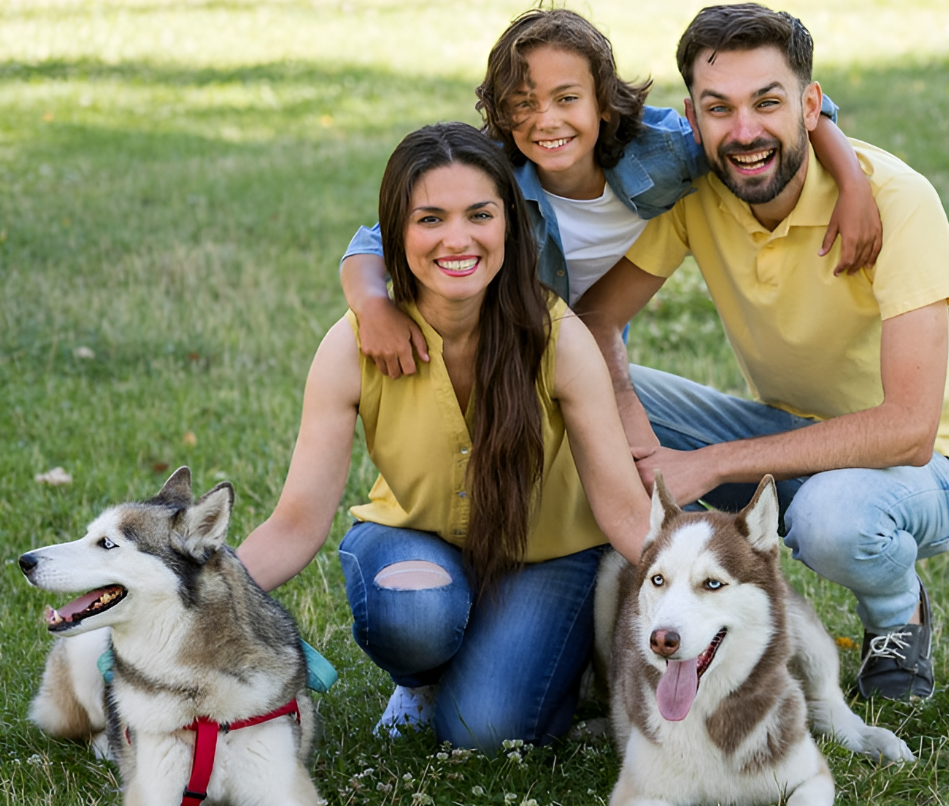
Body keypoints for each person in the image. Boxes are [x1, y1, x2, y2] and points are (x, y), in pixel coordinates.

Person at [575, 3, 949, 701]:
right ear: (692, 119)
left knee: (832, 520)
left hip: (918, 468)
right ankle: (612, 624)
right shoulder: (697, 194)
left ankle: (897, 614)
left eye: (767, 103)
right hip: (787, 436)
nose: (745, 132)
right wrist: (634, 430)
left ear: (811, 107)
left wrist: (710, 463)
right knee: (580, 395)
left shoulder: (897, 199)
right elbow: (596, 320)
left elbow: (911, 430)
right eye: (719, 109)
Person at [237, 122, 651, 754]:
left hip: (545, 554)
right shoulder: (353, 344)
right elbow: (294, 524)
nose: (457, 240)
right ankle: (422, 680)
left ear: (509, 226)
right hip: (414, 540)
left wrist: (710, 581)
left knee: (485, 732)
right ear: (395, 235)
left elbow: (624, 511)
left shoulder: (558, 338)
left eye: (479, 215)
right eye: (430, 219)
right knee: (417, 614)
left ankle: (543, 654)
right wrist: (193, 600)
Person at [340, 6, 883, 379]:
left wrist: (853, 185)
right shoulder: (489, 179)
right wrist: (372, 306)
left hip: (588, 350)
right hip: (492, 345)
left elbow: (802, 113)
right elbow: (372, 243)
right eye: (524, 103)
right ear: (502, 113)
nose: (546, 120)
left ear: (603, 102)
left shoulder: (666, 153)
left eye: (566, 99)